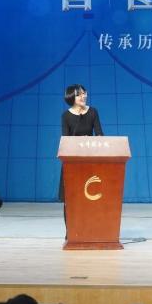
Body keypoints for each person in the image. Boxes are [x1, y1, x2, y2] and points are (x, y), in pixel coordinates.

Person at [60, 84, 103, 228]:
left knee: (90, 197)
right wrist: (79, 141)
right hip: (72, 162)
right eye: (79, 94)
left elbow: (100, 134)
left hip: (89, 160)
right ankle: (71, 231)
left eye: (84, 93)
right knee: (70, 199)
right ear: (71, 97)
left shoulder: (93, 112)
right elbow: (66, 140)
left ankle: (90, 228)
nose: (83, 96)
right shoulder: (66, 116)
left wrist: (92, 140)